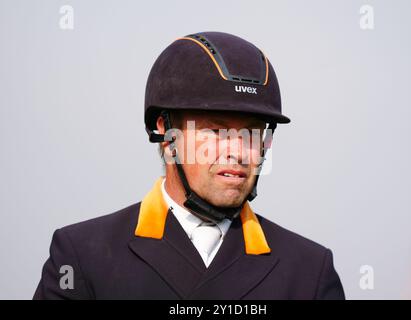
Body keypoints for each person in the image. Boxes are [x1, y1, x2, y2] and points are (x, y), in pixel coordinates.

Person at [34, 31, 345, 299]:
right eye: (215, 130)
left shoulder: (309, 272)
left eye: (251, 133)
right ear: (166, 134)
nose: (237, 151)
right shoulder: (82, 257)